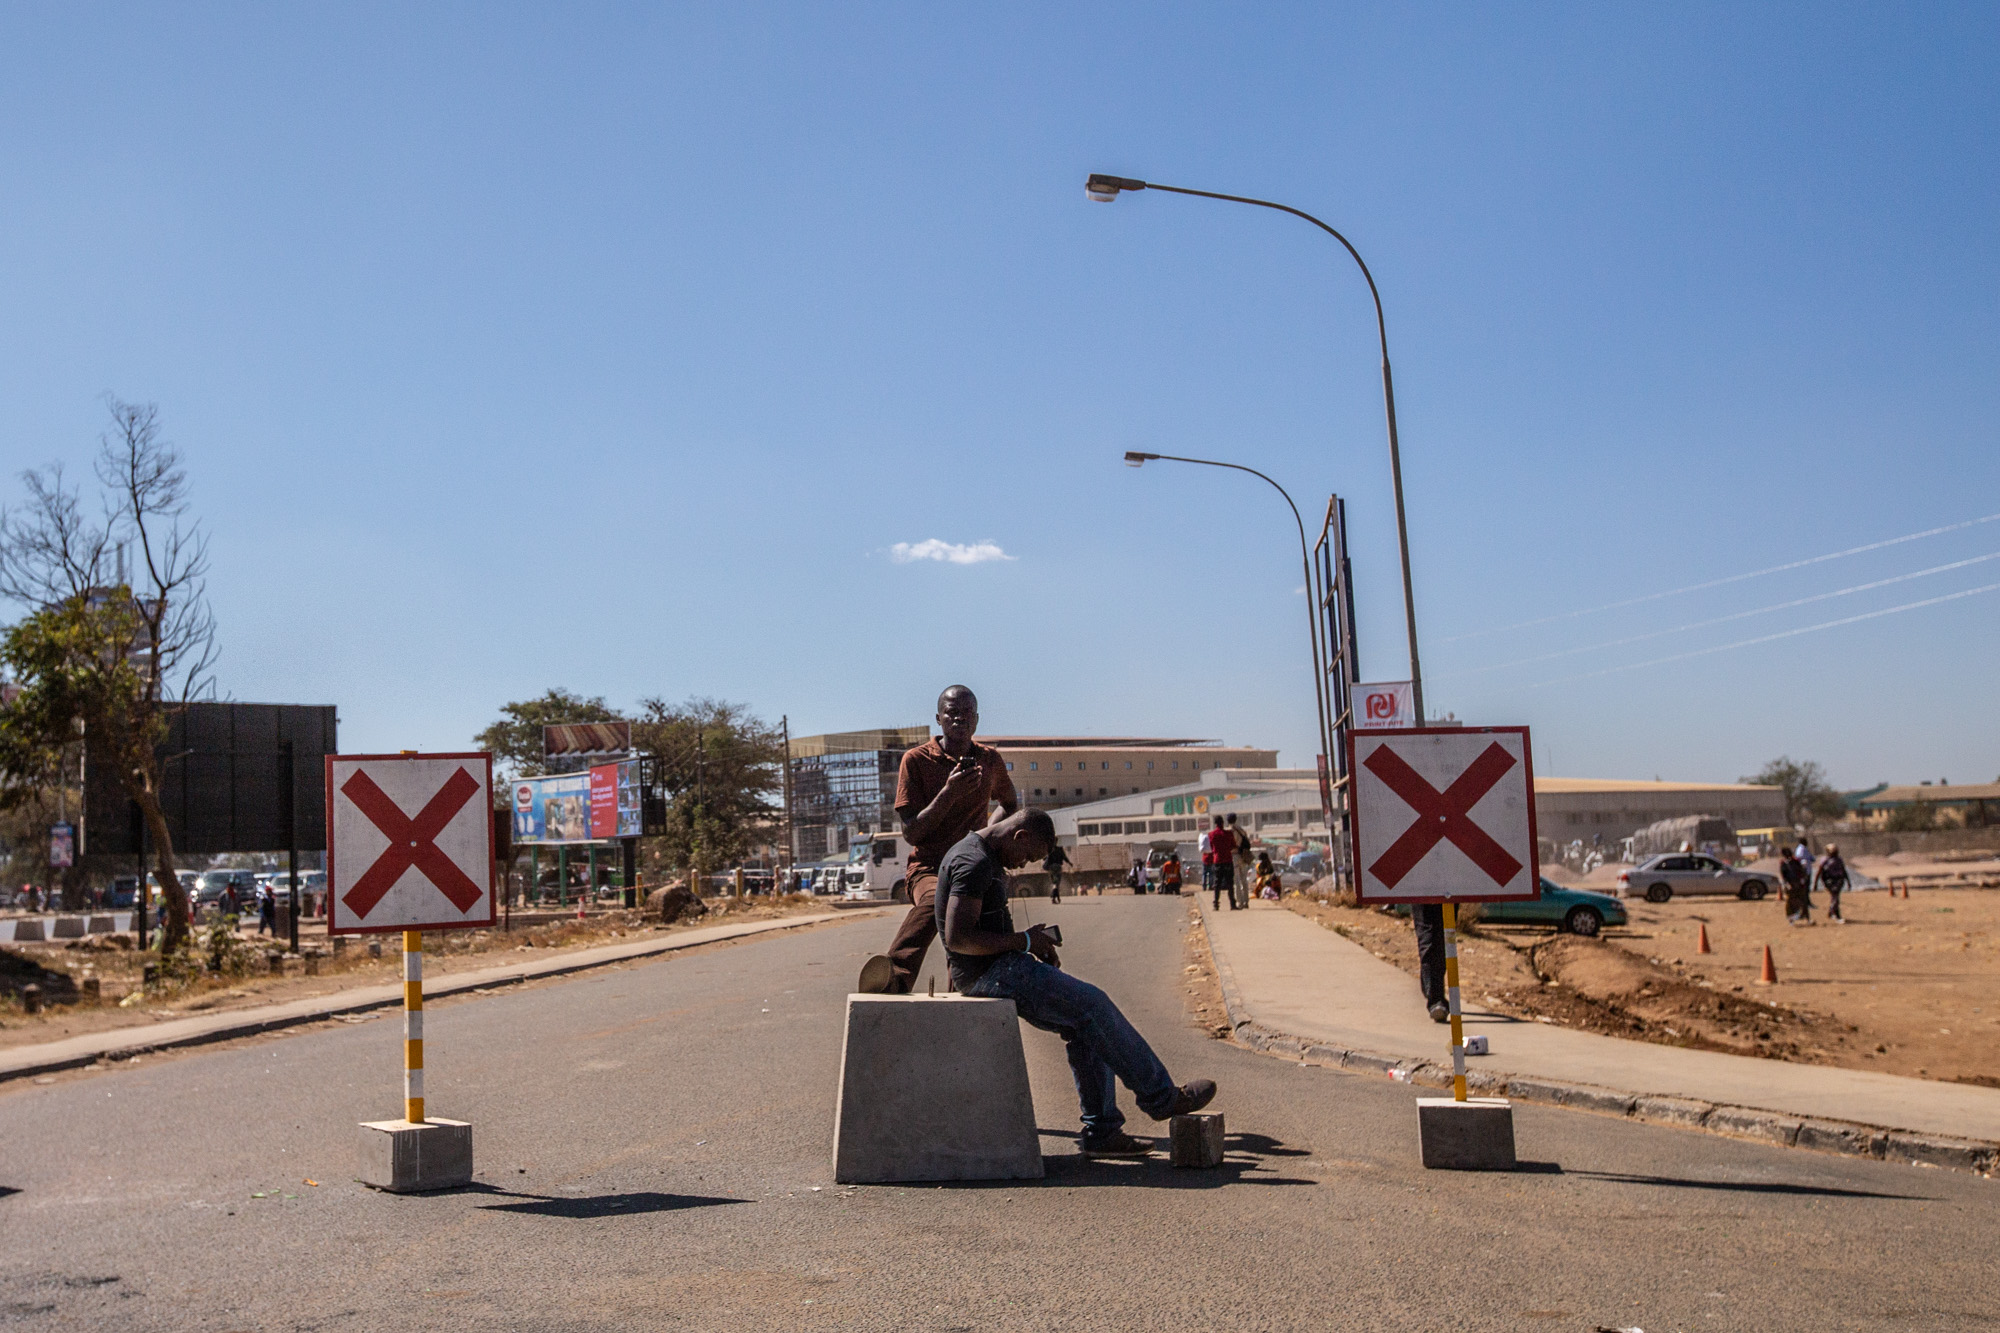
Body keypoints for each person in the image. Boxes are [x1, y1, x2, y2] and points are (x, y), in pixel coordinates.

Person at [937, 807, 1217, 1157]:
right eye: (1028, 856)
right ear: (1020, 836)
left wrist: (1032, 944)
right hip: (989, 974)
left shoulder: (983, 852)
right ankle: (1162, 1098)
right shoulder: (974, 861)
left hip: (999, 966)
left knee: (1085, 1025)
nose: (1023, 865)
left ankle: (1103, 1133)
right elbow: (959, 938)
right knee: (1093, 1005)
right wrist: (1025, 941)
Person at [859, 685, 1019, 994]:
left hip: (973, 868)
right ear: (938, 719)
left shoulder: (989, 760)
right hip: (929, 868)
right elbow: (911, 832)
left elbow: (1010, 804)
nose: (960, 719)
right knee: (939, 901)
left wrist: (984, 838)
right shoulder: (916, 760)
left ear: (977, 720)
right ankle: (893, 978)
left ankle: (965, 992)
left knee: (977, 923)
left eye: (967, 714)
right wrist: (948, 794)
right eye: (952, 713)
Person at [1412, 905, 1449, 1022]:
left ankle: (1431, 989)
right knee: (1428, 935)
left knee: (1443, 934)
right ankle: (1435, 998)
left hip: (1448, 896)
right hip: (1422, 896)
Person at [1207, 815, 1238, 911]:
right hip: (1228, 860)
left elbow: (1212, 847)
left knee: (1217, 884)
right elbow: (1233, 846)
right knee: (1230, 883)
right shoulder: (1229, 834)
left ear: (1215, 823)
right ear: (1223, 823)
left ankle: (1216, 904)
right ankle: (1232, 904)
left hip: (1218, 861)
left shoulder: (1211, 834)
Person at [1779, 845, 1811, 925]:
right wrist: (1787, 884)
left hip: (1798, 884)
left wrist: (1802, 880)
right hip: (1790, 885)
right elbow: (1784, 875)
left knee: (1803, 901)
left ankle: (1806, 918)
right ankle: (1791, 919)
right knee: (1790, 901)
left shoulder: (1796, 861)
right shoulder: (1783, 863)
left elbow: (1801, 871)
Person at [1817, 843, 1849, 924]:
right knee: (1835, 898)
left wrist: (1848, 881)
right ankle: (1837, 916)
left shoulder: (1839, 860)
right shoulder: (1825, 860)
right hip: (1830, 882)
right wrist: (1815, 883)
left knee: (1835, 897)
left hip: (1838, 881)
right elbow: (1819, 872)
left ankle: (1831, 913)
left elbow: (1843, 871)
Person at [1227, 813, 1253, 910]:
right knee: (1244, 880)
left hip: (1234, 856)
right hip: (1243, 856)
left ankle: (1240, 902)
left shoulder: (1229, 831)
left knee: (1236, 881)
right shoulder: (1241, 830)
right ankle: (1246, 901)